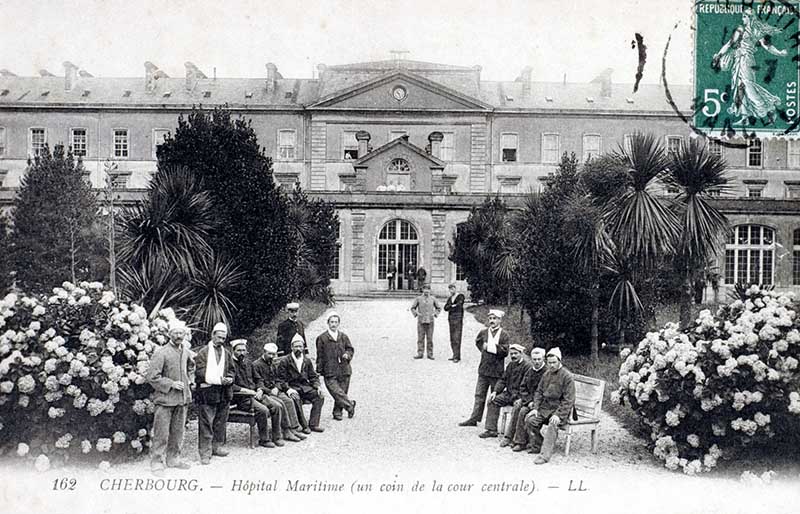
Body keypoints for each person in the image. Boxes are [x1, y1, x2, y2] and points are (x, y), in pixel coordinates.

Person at [712, 8, 786, 125]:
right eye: (743, 16)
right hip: (738, 60)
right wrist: (719, 54)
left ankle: (768, 108)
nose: (743, 19)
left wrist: (779, 53)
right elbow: (730, 44)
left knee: (748, 85)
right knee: (738, 87)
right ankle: (744, 115)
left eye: (745, 17)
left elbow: (767, 45)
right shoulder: (740, 29)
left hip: (747, 60)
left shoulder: (756, 31)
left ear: (750, 18)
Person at [146, 320, 194, 475]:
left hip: (182, 399)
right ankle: (157, 463)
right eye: (176, 333)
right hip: (165, 400)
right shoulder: (161, 352)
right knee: (161, 433)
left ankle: (173, 459)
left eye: (181, 333)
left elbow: (191, 367)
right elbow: (152, 377)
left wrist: (190, 381)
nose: (179, 336)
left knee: (178, 432)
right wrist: (171, 383)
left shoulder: (186, 351)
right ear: (169, 334)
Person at [230, 339, 299, 448]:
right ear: (233, 351)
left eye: (244, 350)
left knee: (277, 406)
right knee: (263, 410)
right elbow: (232, 385)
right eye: (239, 350)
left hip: (256, 394)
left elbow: (257, 379)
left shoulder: (248, 363)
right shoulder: (230, 365)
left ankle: (277, 436)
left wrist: (260, 389)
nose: (242, 353)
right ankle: (264, 439)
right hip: (242, 398)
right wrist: (248, 391)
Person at [524, 347, 576, 464]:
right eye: (549, 362)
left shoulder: (567, 376)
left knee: (553, 423)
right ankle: (538, 445)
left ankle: (544, 455)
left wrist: (559, 415)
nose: (551, 365)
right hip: (545, 408)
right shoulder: (546, 374)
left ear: (559, 361)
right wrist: (536, 408)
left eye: (554, 362)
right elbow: (539, 392)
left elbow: (569, 400)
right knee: (530, 419)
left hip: (559, 409)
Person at [459, 309, 510, 427]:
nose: (492, 321)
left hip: (496, 371)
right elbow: (478, 342)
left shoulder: (504, 334)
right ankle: (474, 418)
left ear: (500, 320)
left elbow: (505, 351)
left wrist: (490, 348)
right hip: (484, 369)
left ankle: (491, 425)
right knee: (479, 395)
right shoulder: (484, 332)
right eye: (490, 318)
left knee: (494, 397)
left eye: (495, 319)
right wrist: (484, 350)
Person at [194, 322, 235, 465]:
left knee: (220, 422)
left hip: (223, 393)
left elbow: (231, 370)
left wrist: (229, 378)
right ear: (212, 335)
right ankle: (205, 452)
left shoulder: (227, 353)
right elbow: (199, 373)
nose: (221, 341)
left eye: (223, 338)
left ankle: (217, 447)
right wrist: (218, 379)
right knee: (206, 423)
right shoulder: (203, 352)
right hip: (207, 393)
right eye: (218, 337)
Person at [252, 342, 310, 437]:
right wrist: (269, 390)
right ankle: (286, 430)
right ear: (264, 352)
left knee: (289, 401)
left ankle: (293, 429)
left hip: (275, 390)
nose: (271, 356)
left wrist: (276, 387)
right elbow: (258, 382)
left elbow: (278, 379)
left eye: (273, 354)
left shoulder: (272, 363)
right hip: (265, 392)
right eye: (269, 354)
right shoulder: (256, 365)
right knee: (281, 404)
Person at [480, 343, 531, 439]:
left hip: (520, 396)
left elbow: (527, 386)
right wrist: (495, 391)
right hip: (509, 394)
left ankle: (513, 435)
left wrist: (521, 397)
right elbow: (503, 379)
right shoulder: (511, 365)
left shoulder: (527, 367)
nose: (513, 356)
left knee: (518, 407)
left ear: (521, 353)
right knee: (492, 400)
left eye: (516, 353)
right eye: (511, 354)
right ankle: (491, 430)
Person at [277, 334, 325, 432]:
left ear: (303, 348)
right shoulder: (285, 361)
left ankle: (313, 424)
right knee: (296, 397)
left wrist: (318, 386)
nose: (298, 349)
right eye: (296, 346)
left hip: (305, 387)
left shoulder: (306, 361)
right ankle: (304, 425)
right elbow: (281, 379)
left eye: (300, 346)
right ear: (291, 347)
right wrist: (288, 389)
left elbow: (313, 376)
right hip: (292, 387)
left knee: (319, 396)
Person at [315, 311, 356, 420]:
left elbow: (350, 349)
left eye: (336, 322)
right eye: (331, 322)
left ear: (338, 323)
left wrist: (347, 355)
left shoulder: (343, 336)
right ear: (328, 323)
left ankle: (337, 412)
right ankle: (350, 405)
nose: (334, 324)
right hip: (329, 370)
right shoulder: (322, 338)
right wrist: (318, 370)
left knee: (342, 391)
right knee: (335, 391)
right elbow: (320, 355)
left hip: (344, 369)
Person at [507, 347, 547, 451]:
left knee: (523, 411)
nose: (537, 362)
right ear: (531, 360)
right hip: (530, 401)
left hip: (541, 404)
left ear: (543, 359)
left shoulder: (546, 373)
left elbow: (545, 392)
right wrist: (528, 401)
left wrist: (534, 403)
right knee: (518, 407)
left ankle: (520, 442)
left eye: (539, 359)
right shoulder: (530, 371)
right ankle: (512, 438)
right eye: (534, 359)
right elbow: (522, 387)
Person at [410, 284, 441, 360]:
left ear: (430, 290)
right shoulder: (418, 298)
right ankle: (420, 353)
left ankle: (430, 354)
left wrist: (435, 314)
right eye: (425, 289)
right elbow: (413, 308)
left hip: (430, 321)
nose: (426, 291)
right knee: (420, 338)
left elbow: (438, 308)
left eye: (428, 289)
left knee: (430, 338)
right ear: (423, 290)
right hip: (421, 321)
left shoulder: (433, 299)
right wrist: (417, 313)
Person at [443, 283, 465, 363]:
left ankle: (457, 356)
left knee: (457, 337)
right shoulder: (450, 298)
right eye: (450, 289)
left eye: (452, 288)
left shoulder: (460, 296)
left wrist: (451, 306)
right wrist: (452, 306)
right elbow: (445, 308)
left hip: (458, 319)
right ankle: (454, 354)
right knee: (452, 338)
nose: (451, 290)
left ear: (455, 288)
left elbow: (459, 305)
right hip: (451, 319)